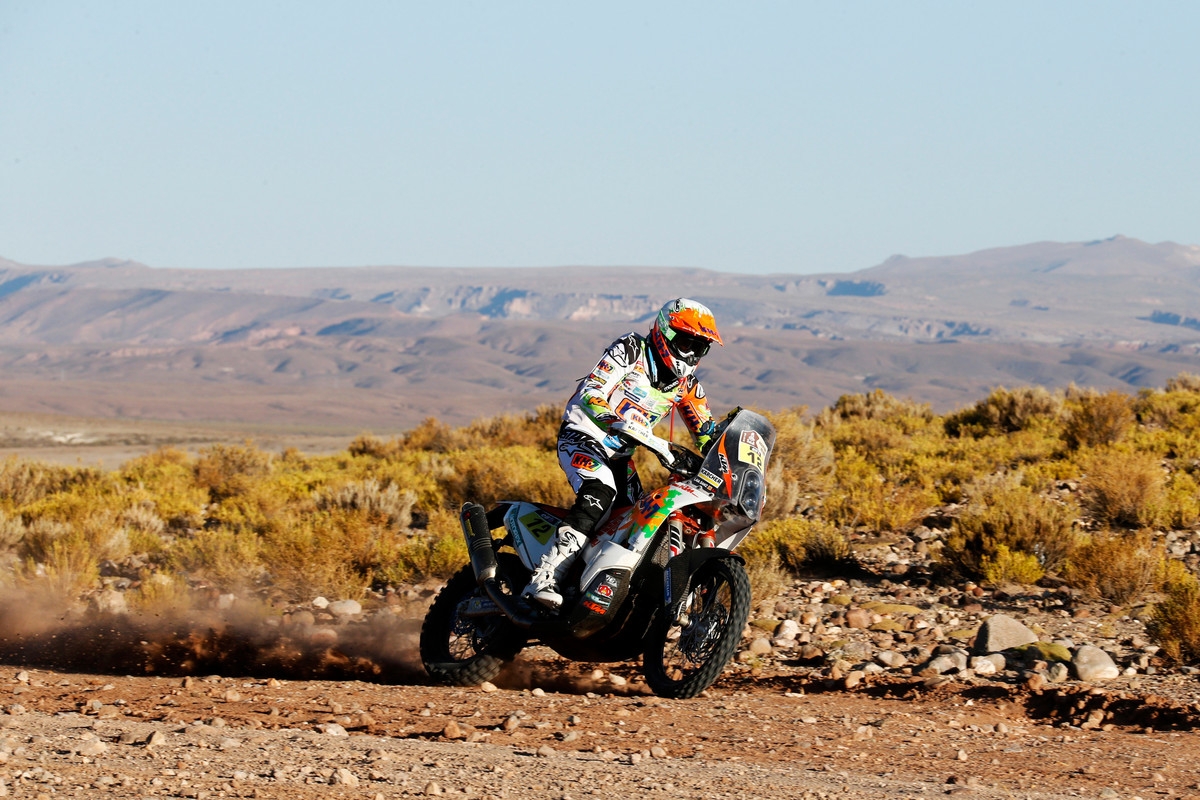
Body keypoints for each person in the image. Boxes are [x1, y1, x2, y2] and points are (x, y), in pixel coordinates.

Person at [522, 297, 724, 609]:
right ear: (666, 333)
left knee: (637, 519)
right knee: (600, 492)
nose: (692, 354)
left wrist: (729, 451)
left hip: (619, 455)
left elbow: (707, 433)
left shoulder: (687, 386)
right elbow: (592, 391)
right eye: (687, 343)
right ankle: (545, 576)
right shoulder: (631, 349)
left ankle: (596, 590)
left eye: (700, 348)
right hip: (584, 436)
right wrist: (620, 423)